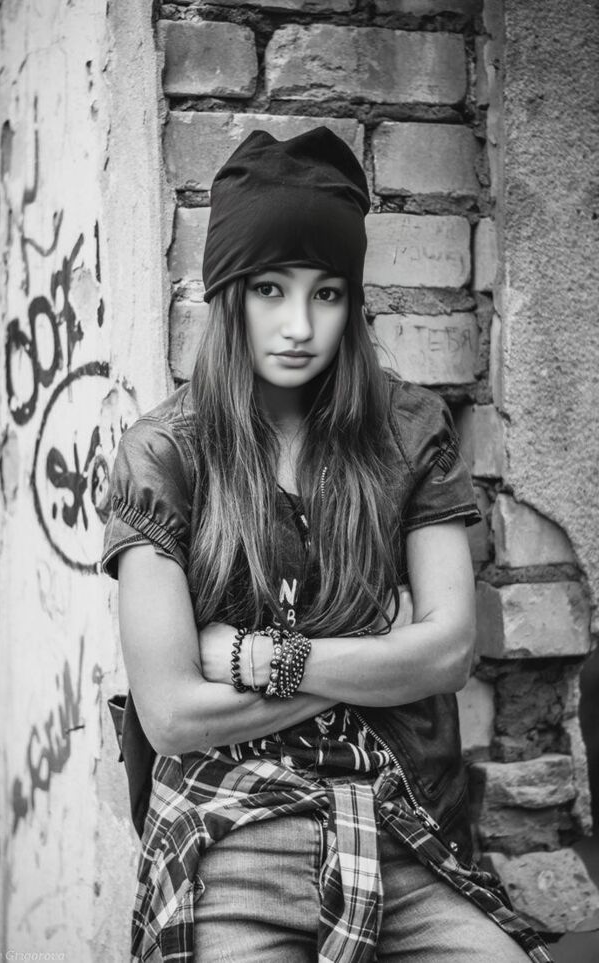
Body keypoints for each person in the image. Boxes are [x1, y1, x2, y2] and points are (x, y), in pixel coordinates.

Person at [102, 128, 552, 963]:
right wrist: (381, 662)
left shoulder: (409, 430)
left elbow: (450, 651)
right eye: (270, 289)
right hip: (231, 835)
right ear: (228, 294)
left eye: (328, 292)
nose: (300, 324)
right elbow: (171, 714)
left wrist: (255, 658)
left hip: (402, 829)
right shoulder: (162, 454)